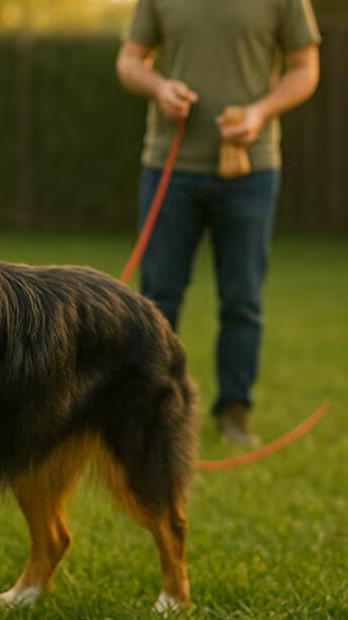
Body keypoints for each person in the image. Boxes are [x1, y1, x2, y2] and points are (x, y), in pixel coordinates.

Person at [116, 0, 321, 446]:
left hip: (252, 171)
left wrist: (260, 112)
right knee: (158, 296)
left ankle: (234, 412)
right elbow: (130, 61)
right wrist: (160, 87)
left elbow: (305, 67)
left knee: (243, 298)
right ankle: (150, 411)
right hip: (169, 169)